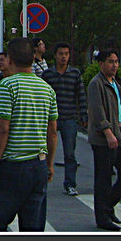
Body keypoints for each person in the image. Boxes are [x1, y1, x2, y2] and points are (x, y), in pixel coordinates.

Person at [0, 37, 57, 232]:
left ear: (10, 58)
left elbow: (2, 129)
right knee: (33, 226)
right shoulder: (47, 89)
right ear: (34, 58)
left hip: (12, 166)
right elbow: (52, 131)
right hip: (38, 165)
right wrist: (49, 164)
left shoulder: (6, 86)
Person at [87, 49, 121, 231]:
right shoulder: (96, 84)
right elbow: (97, 111)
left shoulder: (116, 82)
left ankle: (108, 205)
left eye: (116, 61)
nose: (115, 65)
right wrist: (108, 132)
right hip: (104, 137)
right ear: (101, 64)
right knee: (104, 177)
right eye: (110, 61)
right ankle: (102, 216)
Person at [41, 42, 87, 196]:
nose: (63, 57)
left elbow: (81, 95)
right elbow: (42, 96)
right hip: (50, 117)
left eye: (66, 54)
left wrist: (83, 115)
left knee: (70, 153)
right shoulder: (48, 75)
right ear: (55, 55)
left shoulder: (75, 73)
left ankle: (70, 183)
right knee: (44, 150)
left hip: (69, 117)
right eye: (61, 54)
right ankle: (43, 178)